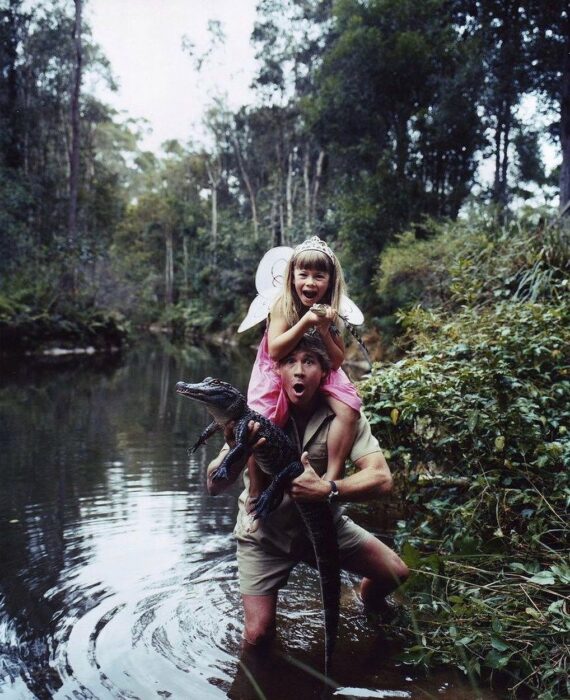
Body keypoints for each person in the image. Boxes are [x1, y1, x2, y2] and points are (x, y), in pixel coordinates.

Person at [207, 334, 409, 648]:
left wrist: (328, 488)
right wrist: (237, 446)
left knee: (395, 573)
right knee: (257, 638)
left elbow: (382, 479)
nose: (299, 371)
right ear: (277, 371)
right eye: (290, 361)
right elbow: (214, 485)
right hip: (266, 534)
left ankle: (360, 600)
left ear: (323, 371)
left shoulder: (346, 414)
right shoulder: (259, 414)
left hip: (326, 524)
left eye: (309, 361)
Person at [247, 236, 362, 491]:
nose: (310, 282)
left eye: (319, 276)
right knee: (259, 419)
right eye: (304, 274)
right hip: (278, 366)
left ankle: (330, 477)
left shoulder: (332, 309)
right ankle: (256, 488)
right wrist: (306, 323)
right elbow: (275, 350)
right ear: (292, 278)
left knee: (349, 406)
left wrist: (323, 330)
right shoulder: (281, 305)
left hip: (318, 365)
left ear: (330, 281)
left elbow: (338, 360)